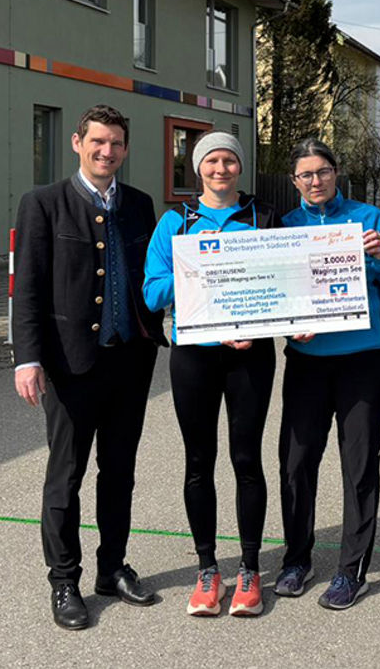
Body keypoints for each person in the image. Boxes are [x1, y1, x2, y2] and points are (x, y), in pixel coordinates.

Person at [12, 104, 167, 631]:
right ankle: (64, 580)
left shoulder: (142, 205)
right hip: (70, 364)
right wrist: (27, 359)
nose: (107, 151)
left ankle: (111, 568)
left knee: (119, 473)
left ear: (126, 149)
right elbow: (27, 289)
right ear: (77, 142)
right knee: (66, 475)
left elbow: (158, 277)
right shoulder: (43, 205)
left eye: (116, 143)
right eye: (97, 141)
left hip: (131, 360)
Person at [143, 131, 278, 618]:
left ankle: (249, 568)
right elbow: (153, 291)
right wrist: (203, 274)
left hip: (250, 354)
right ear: (197, 168)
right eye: (211, 161)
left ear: (240, 167)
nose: (221, 169)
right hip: (195, 356)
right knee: (198, 460)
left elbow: (284, 281)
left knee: (247, 459)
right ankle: (206, 568)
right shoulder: (176, 222)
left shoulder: (264, 218)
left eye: (230, 161)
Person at [273, 139, 380, 610]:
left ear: (336, 173)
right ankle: (296, 559)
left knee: (359, 463)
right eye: (306, 175)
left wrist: (379, 258)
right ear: (295, 182)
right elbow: (273, 294)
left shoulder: (370, 220)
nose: (315, 181)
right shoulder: (285, 227)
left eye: (323, 171)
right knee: (296, 461)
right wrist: (287, 324)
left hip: (362, 359)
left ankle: (352, 571)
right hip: (307, 361)